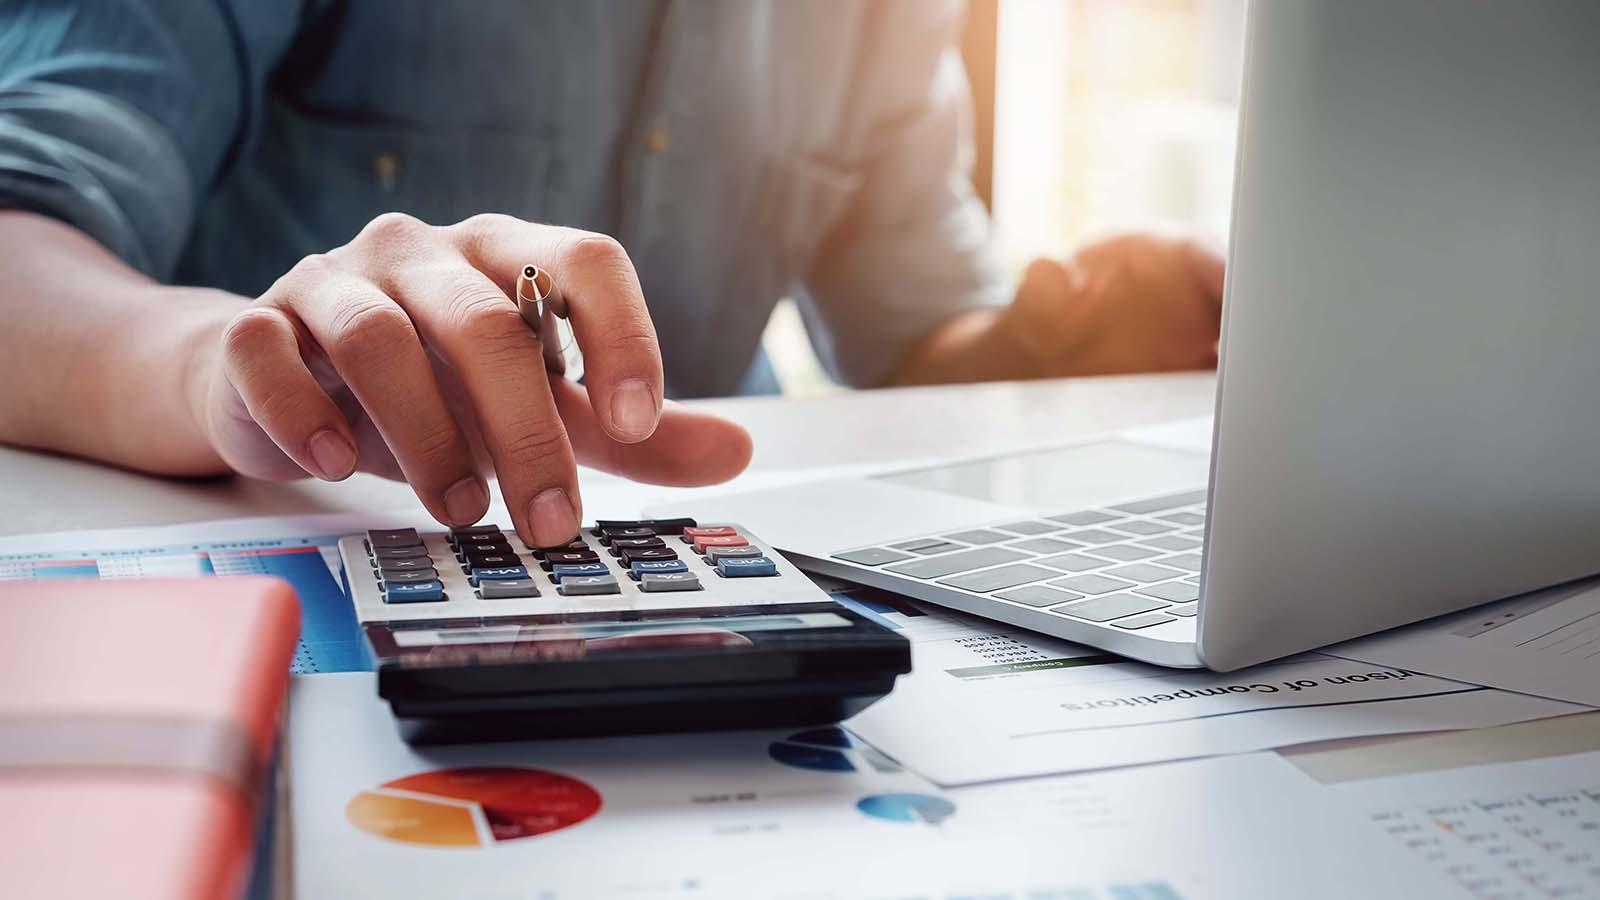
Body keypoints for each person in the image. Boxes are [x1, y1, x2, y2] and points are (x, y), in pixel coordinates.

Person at [0, 1, 1223, 548]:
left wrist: (1067, 339)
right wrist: (221, 370)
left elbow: (913, 336)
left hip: (713, 569)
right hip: (295, 567)